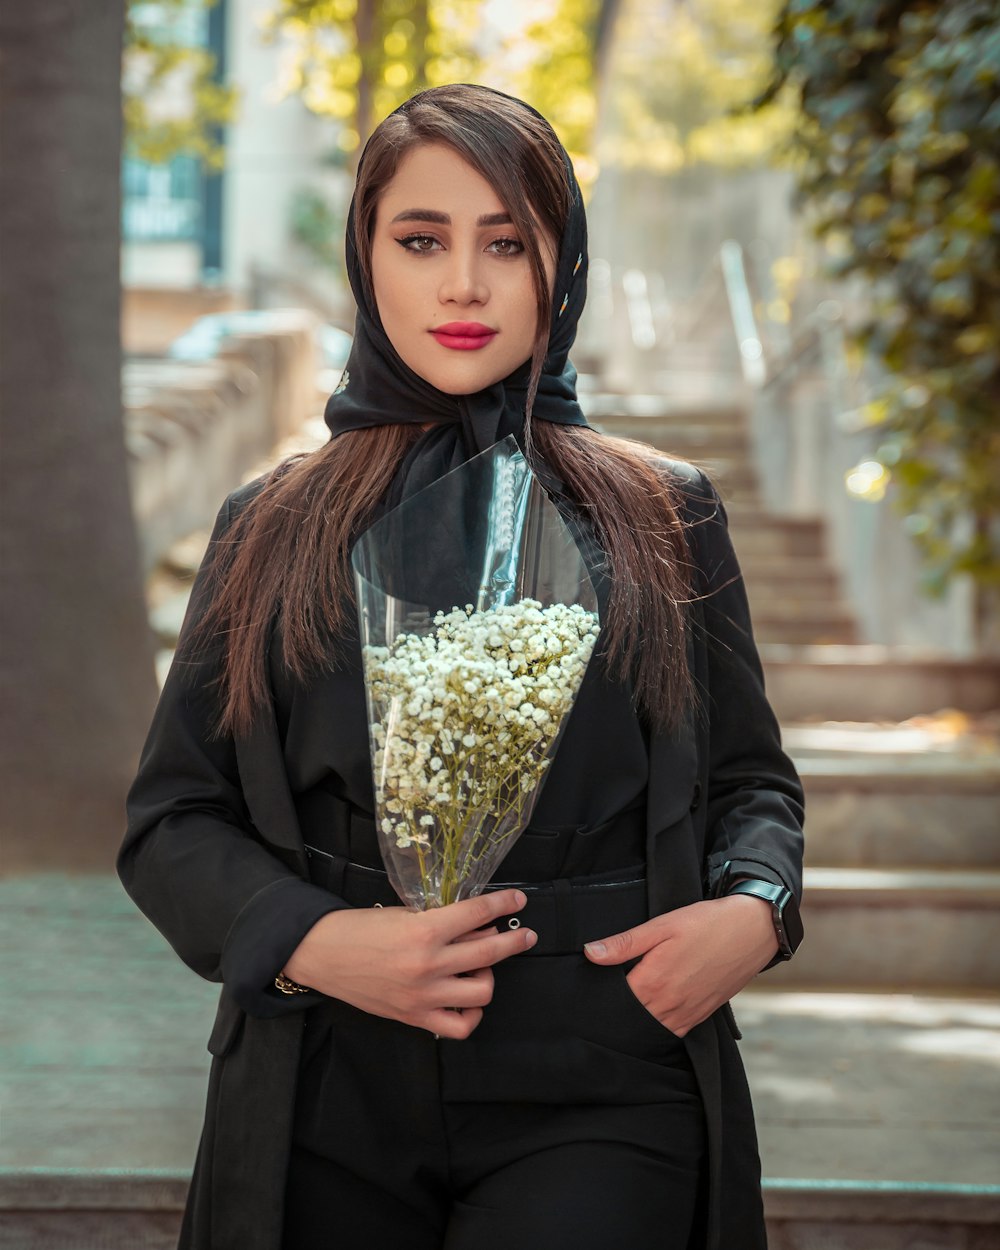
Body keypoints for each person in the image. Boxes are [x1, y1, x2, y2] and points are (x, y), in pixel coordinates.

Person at [118, 83, 804, 1250]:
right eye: (421, 239)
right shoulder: (269, 523)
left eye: (508, 242)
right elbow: (172, 818)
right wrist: (318, 940)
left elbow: (753, 784)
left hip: (604, 1066)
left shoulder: (662, 512)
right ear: (364, 255)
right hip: (323, 1073)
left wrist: (758, 906)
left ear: (562, 263)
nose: (464, 285)